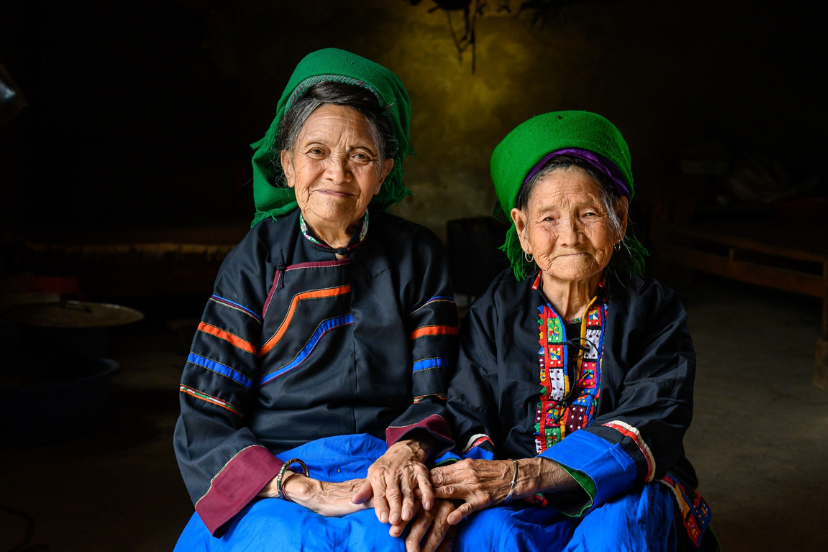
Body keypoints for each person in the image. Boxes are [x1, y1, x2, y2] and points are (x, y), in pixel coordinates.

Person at [173, 48, 460, 552]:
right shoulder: (255, 260)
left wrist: (408, 452)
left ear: (385, 170)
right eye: (316, 152)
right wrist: (297, 486)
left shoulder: (418, 254)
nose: (338, 173)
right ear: (286, 164)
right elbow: (206, 412)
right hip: (281, 468)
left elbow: (435, 394)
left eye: (361, 156)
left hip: (387, 464)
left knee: (408, 538)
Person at [428, 111, 717, 551]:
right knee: (490, 533)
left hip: (621, 486)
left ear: (619, 216)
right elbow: (468, 410)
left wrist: (530, 473)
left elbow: (656, 416)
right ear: (522, 230)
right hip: (513, 488)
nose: (570, 236)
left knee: (619, 530)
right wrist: (497, 475)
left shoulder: (654, 308)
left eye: (588, 213)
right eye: (548, 219)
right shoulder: (493, 310)